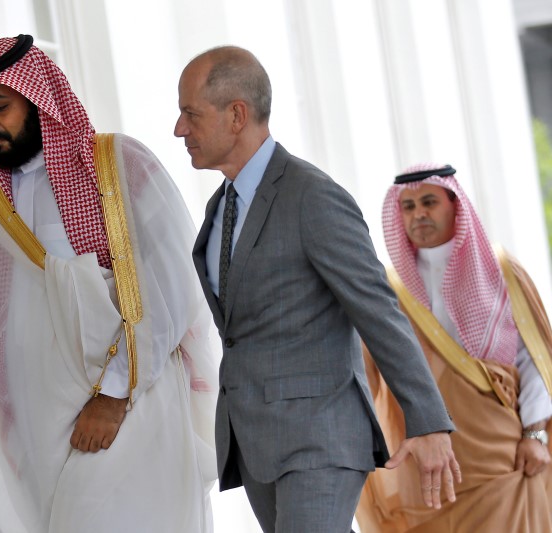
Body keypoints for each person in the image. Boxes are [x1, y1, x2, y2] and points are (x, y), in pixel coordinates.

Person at [0, 34, 220, 533]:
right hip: (37, 426)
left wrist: (115, 396)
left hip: (133, 409)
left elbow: (171, 288)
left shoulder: (120, 167)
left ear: (39, 97)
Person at [174, 46, 460, 533]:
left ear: (237, 114)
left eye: (190, 114)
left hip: (322, 437)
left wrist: (429, 421)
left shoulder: (313, 196)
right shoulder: (220, 208)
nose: (179, 130)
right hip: (256, 440)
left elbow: (377, 309)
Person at [356, 163, 552, 532]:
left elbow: (536, 360)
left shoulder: (503, 271)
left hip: (502, 457)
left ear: (455, 205)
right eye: (408, 207)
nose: (419, 214)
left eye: (429, 202)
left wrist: (535, 434)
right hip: (428, 469)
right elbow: (366, 373)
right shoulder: (387, 288)